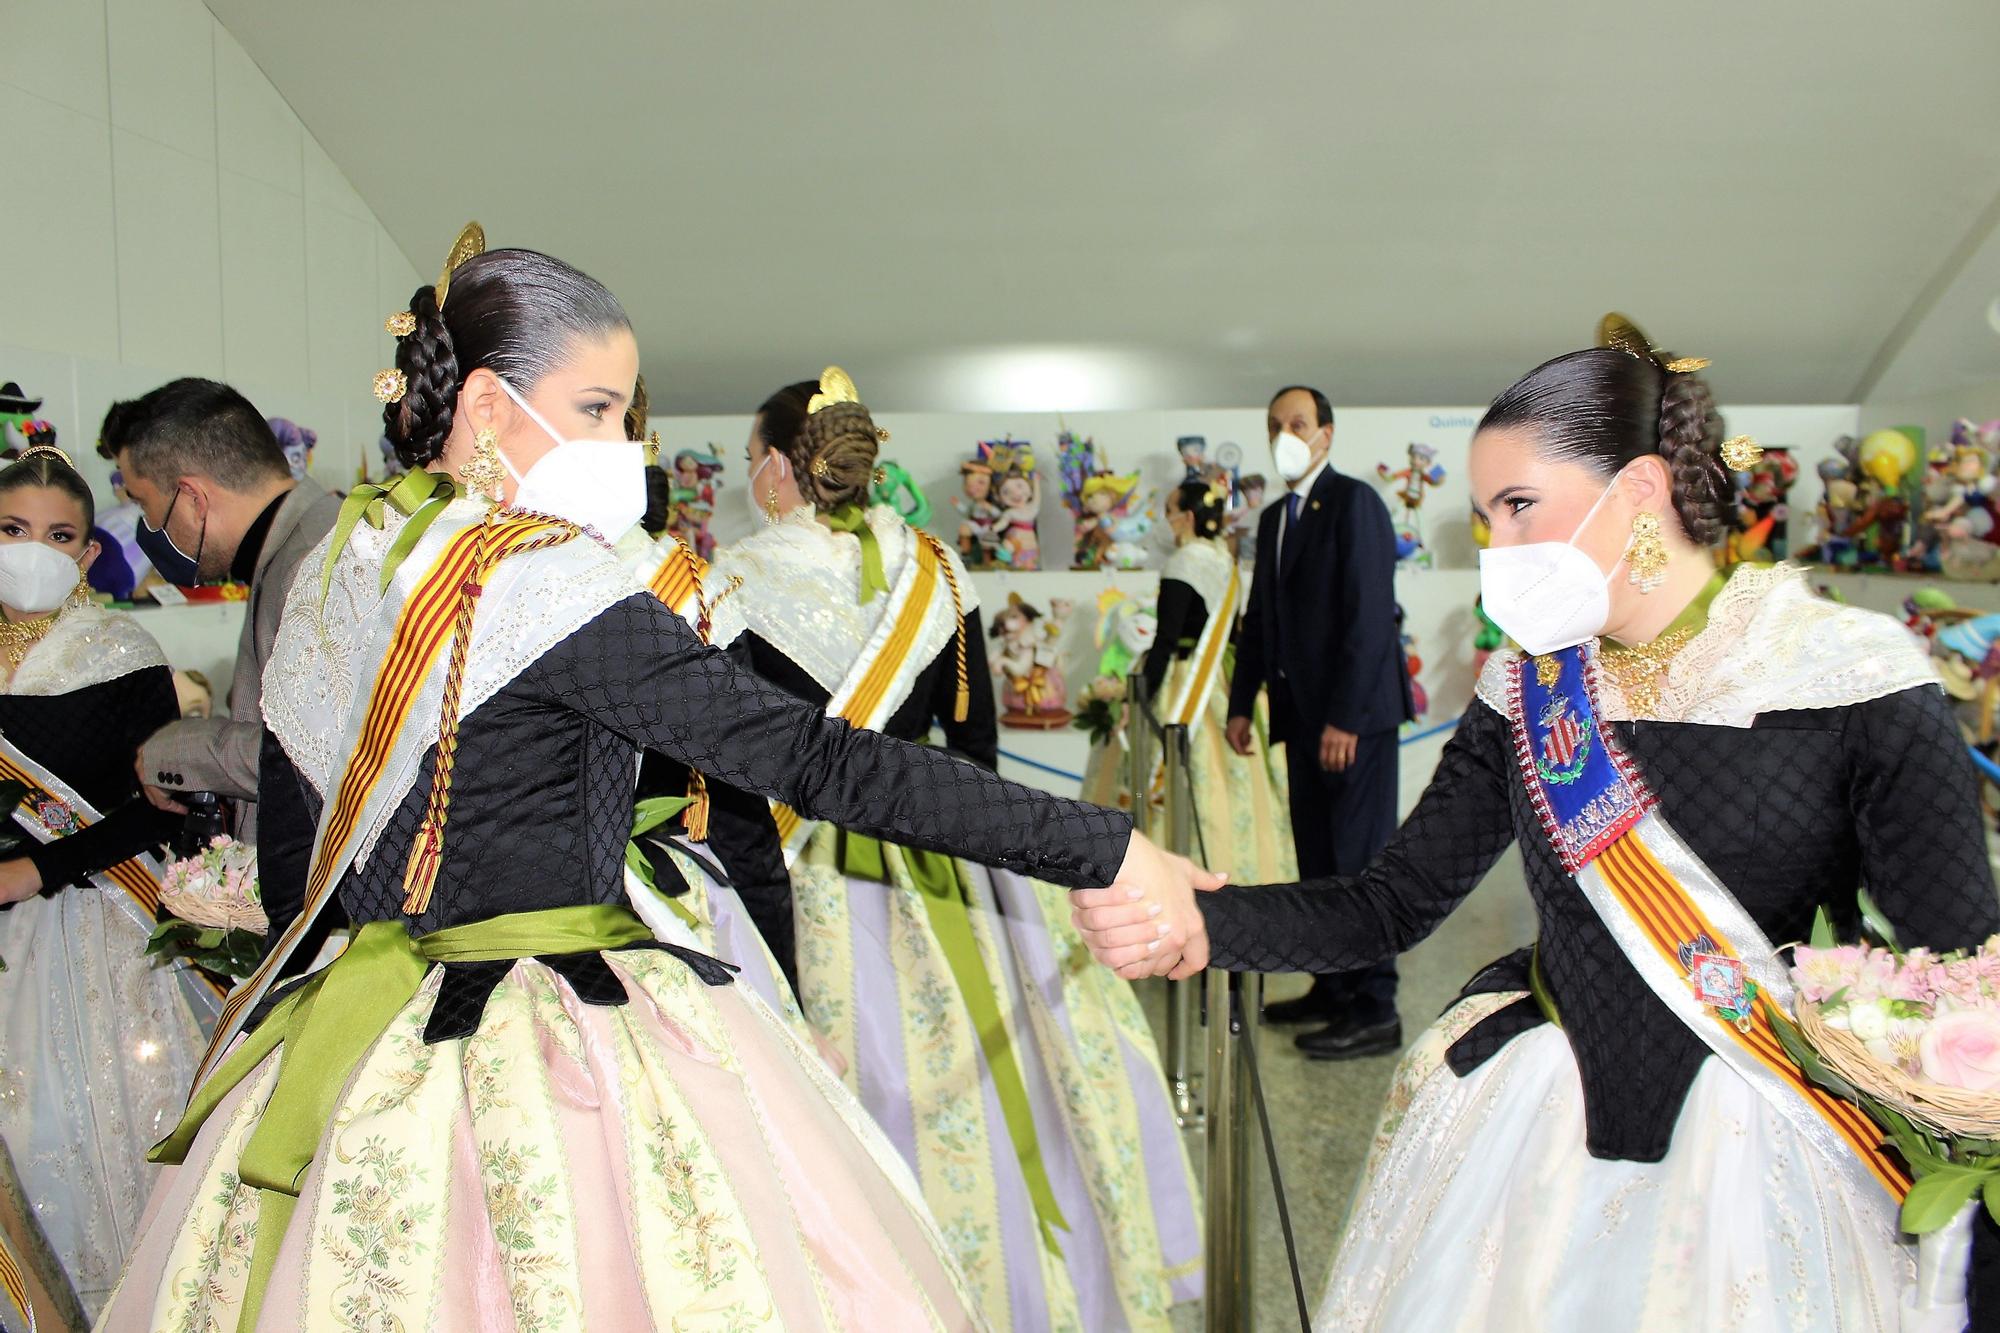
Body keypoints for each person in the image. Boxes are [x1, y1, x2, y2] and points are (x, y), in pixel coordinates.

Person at [100, 237, 1208, 1331]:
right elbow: (815, 761)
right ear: (486, 407)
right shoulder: (542, 580)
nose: (621, 441)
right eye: (595, 409)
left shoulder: (356, 555)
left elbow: (301, 838)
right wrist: (1109, 847)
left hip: (362, 1022)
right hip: (549, 1044)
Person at [1074, 316, 2000, 1330]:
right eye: (1483, 516)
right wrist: (1206, 919)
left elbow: (1957, 972)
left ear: (1638, 491)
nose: (1495, 547)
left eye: (1518, 506)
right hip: (1543, 1126)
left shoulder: (1847, 673)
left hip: (1773, 1142)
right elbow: (1390, 902)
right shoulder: (1528, 683)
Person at [703, 374, 1202, 1330]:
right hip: (950, 854)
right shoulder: (938, 565)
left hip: (804, 874)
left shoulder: (735, 581)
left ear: (777, 465)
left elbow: (731, 786)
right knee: (1005, 1081)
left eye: (750, 456)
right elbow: (973, 746)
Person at [0, 445, 218, 1319]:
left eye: (60, 535)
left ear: (90, 554)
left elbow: (160, 806)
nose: (34, 548)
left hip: (92, 923)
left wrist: (36, 867)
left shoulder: (120, 652)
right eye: (12, 529)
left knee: (90, 1137)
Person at [1226, 384, 1413, 1058]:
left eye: (1299, 423)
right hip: (1299, 720)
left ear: (1327, 434)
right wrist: (1242, 700)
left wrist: (1345, 719)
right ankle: (1332, 986)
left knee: (1360, 864)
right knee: (1318, 863)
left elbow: (1369, 619)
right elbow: (1262, 620)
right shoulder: (1276, 517)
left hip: (1351, 722)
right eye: (1275, 424)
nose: (1286, 433)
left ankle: (1375, 1006)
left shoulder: (1355, 503)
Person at [101, 380, 341, 840]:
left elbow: (326, 759)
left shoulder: (319, 562)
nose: (148, 528)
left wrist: (186, 749)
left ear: (192, 498)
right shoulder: (291, 547)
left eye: (145, 505)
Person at [1142, 477, 1295, 885]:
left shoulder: (1182, 561)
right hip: (1222, 680)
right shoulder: (1223, 560)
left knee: (1179, 776)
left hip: (1186, 681)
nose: (1165, 521)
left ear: (1187, 517)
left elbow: (1166, 639)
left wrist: (1137, 698)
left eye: (1169, 512)